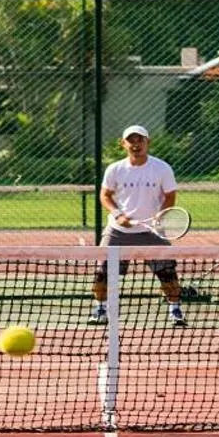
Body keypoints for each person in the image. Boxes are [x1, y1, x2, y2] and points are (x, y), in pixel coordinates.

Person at [90, 124, 186, 328]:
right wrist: (117, 215)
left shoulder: (162, 168)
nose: (136, 144)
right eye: (131, 140)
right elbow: (105, 195)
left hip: (152, 231)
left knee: (167, 273)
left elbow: (170, 196)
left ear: (147, 142)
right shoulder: (115, 169)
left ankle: (175, 310)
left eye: (139, 140)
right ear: (123, 144)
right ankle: (100, 309)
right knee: (102, 273)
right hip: (118, 231)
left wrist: (160, 216)